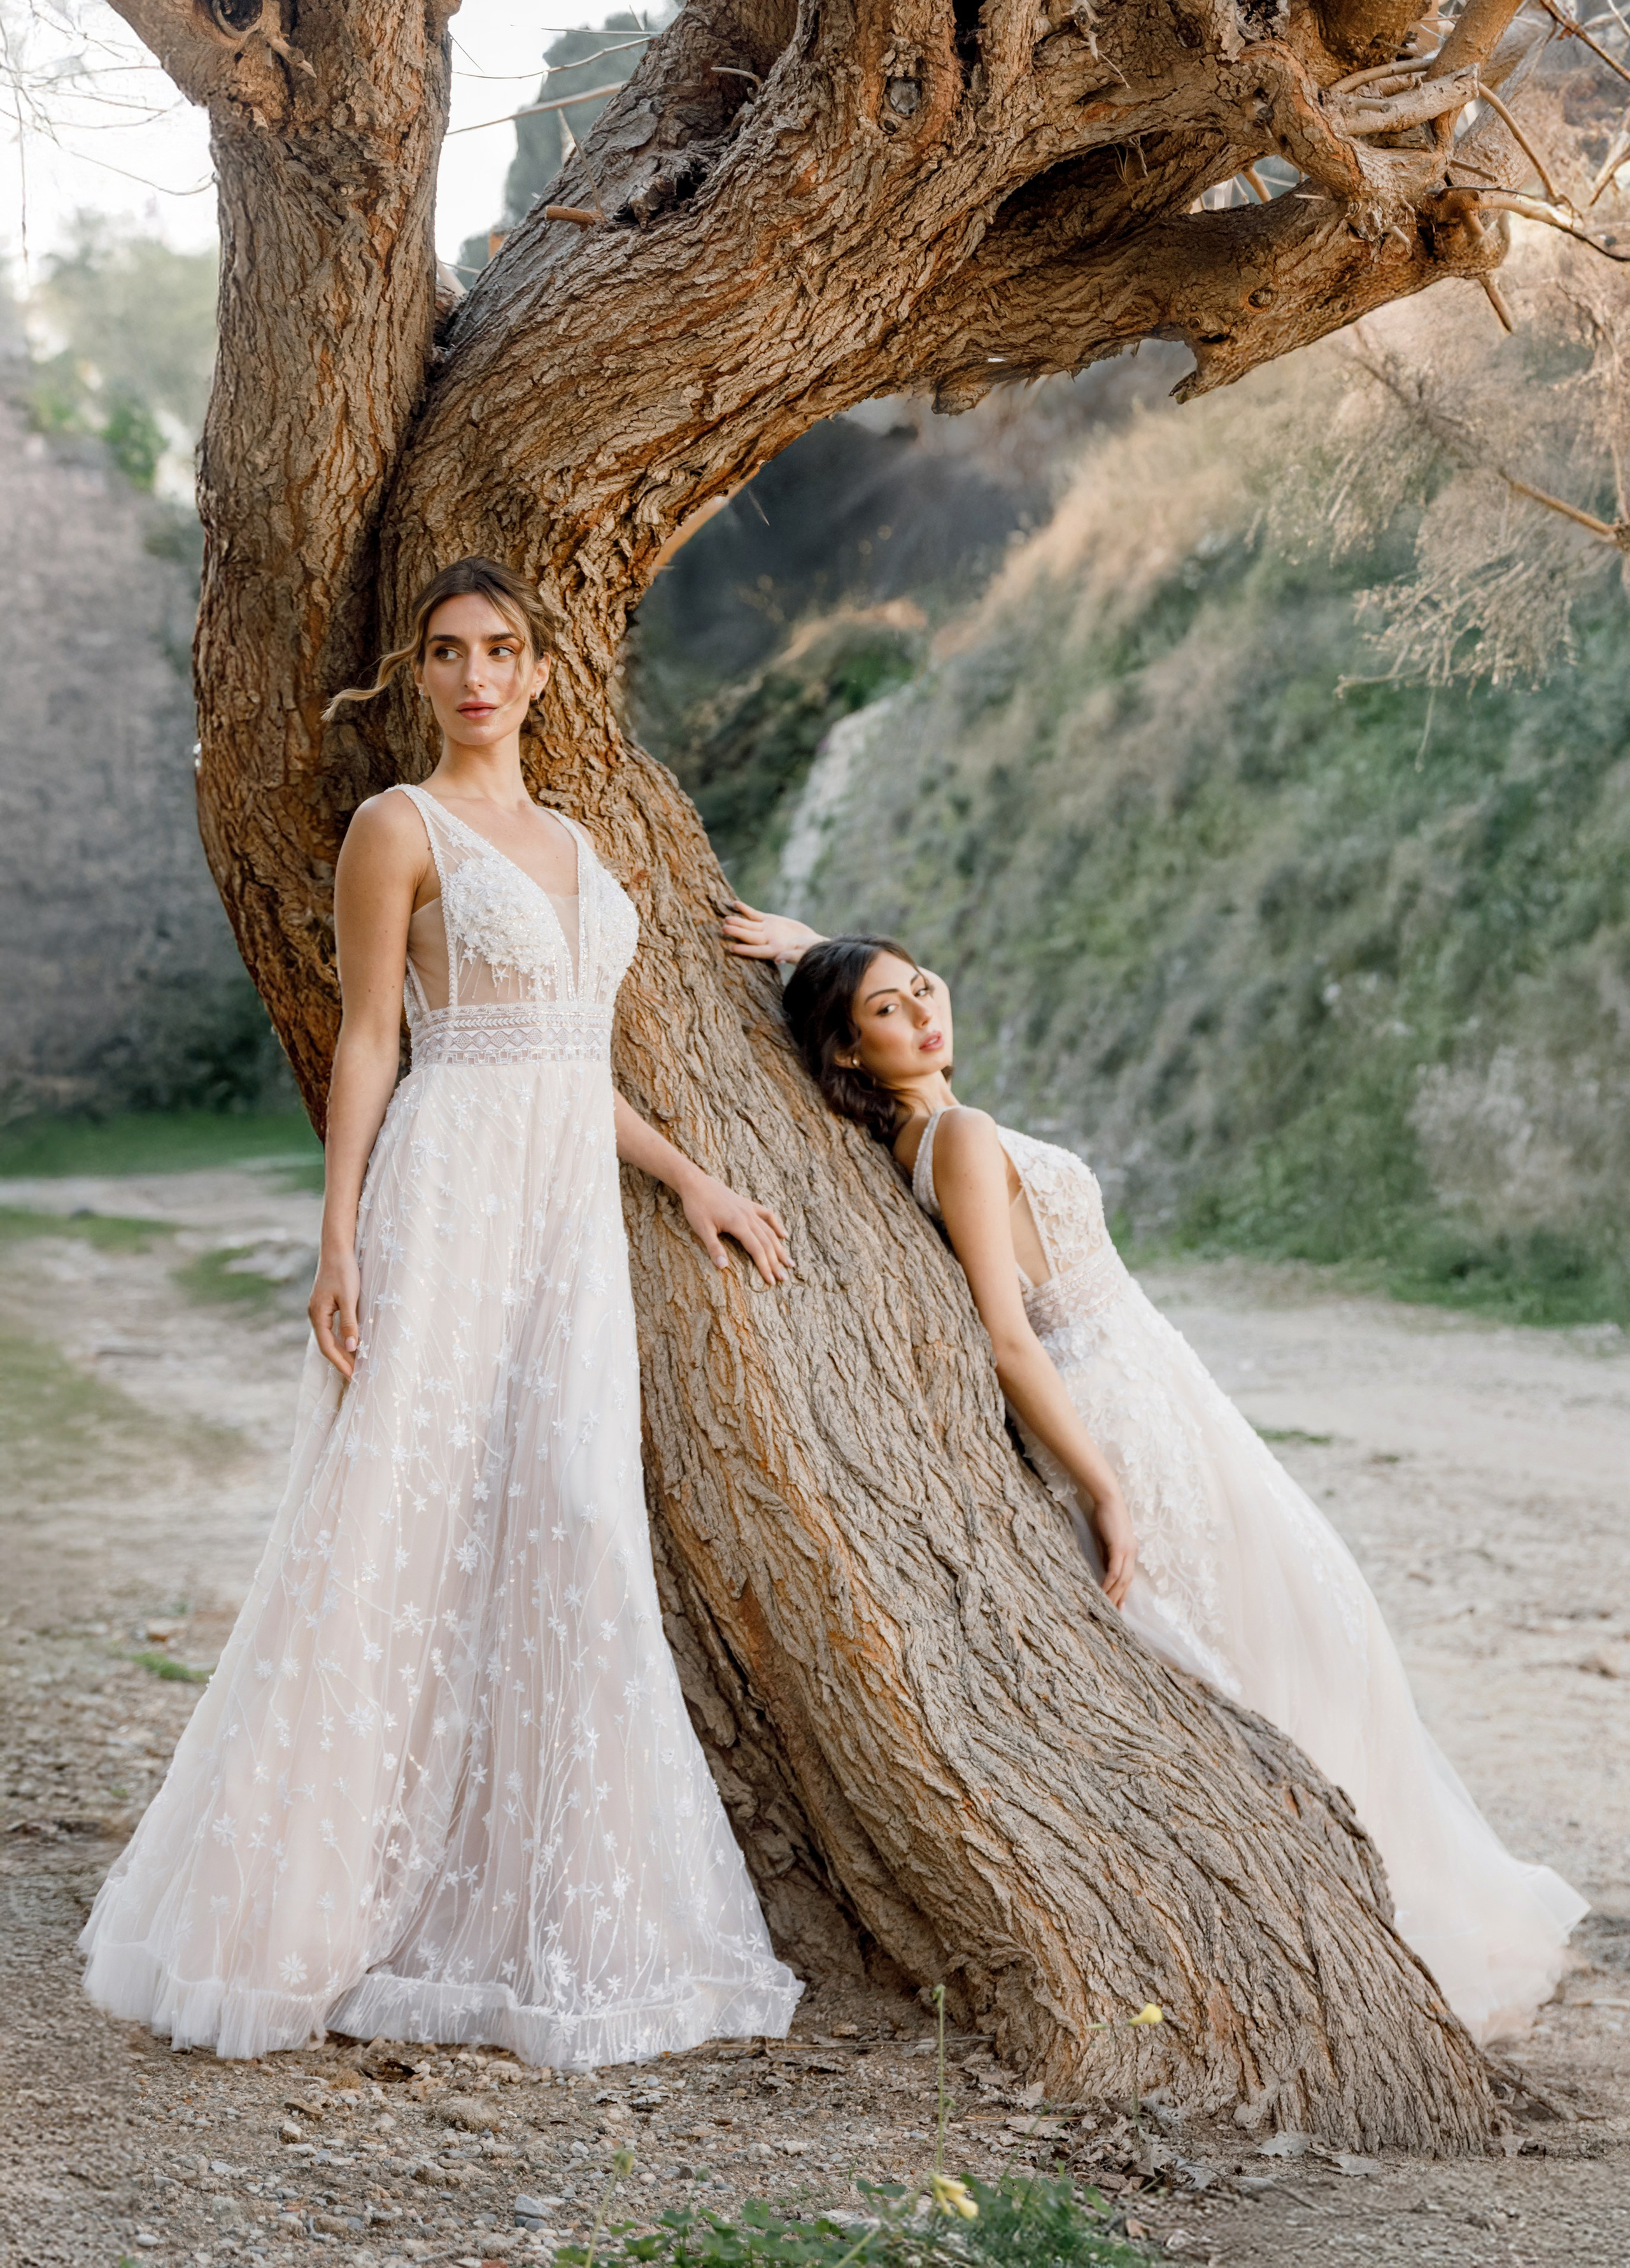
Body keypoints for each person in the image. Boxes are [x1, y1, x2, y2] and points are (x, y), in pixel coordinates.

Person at [78, 560, 802, 2065]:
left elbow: (567, 1062)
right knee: (396, 1515)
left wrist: (691, 1181)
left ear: (541, 673)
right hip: (450, 1188)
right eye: (450, 653)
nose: (478, 675)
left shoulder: (580, 845)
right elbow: (368, 1041)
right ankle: (306, 1904)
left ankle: (547, 1906)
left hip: (566, 1222)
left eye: (502, 651)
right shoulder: (393, 828)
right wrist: (338, 1236)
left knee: (570, 1519)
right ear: (420, 676)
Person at [726, 905, 1585, 2042]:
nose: (926, 1013)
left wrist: (816, 951)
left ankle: (1377, 1908)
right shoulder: (962, 1137)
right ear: (847, 1050)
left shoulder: (925, 1134)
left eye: (926, 986)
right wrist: (1104, 1485)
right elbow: (1007, 1334)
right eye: (889, 1010)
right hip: (1117, 1406)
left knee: (1306, 1623)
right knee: (1281, 1644)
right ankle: (1368, 1916)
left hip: (1159, 1384)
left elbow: (890, 1025)